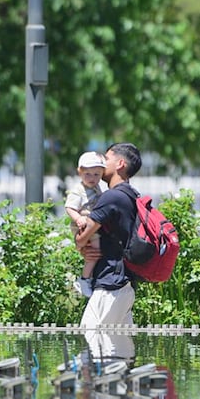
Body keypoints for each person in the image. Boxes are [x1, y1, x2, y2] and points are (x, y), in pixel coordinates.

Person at [74, 142, 142, 362]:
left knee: (91, 338)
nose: (102, 162)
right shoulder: (132, 195)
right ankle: (118, 396)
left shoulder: (111, 197)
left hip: (111, 285)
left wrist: (81, 243)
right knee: (118, 354)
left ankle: (100, 393)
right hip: (124, 283)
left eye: (107, 157)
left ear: (120, 164)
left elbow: (82, 238)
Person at [64, 151, 106, 297]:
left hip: (92, 224)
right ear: (80, 172)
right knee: (94, 252)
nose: (92, 178)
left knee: (95, 251)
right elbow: (69, 207)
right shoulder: (78, 190)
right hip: (83, 226)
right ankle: (85, 279)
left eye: (96, 174)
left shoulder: (96, 188)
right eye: (88, 174)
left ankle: (88, 277)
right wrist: (77, 218)